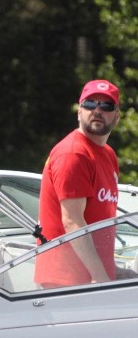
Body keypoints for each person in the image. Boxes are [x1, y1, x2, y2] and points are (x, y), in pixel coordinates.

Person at [35, 79, 121, 288]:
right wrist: (101, 277)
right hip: (67, 283)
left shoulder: (107, 154)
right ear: (79, 111)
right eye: (90, 104)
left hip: (92, 276)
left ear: (117, 117)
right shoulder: (73, 153)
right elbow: (72, 221)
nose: (97, 110)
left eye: (106, 106)